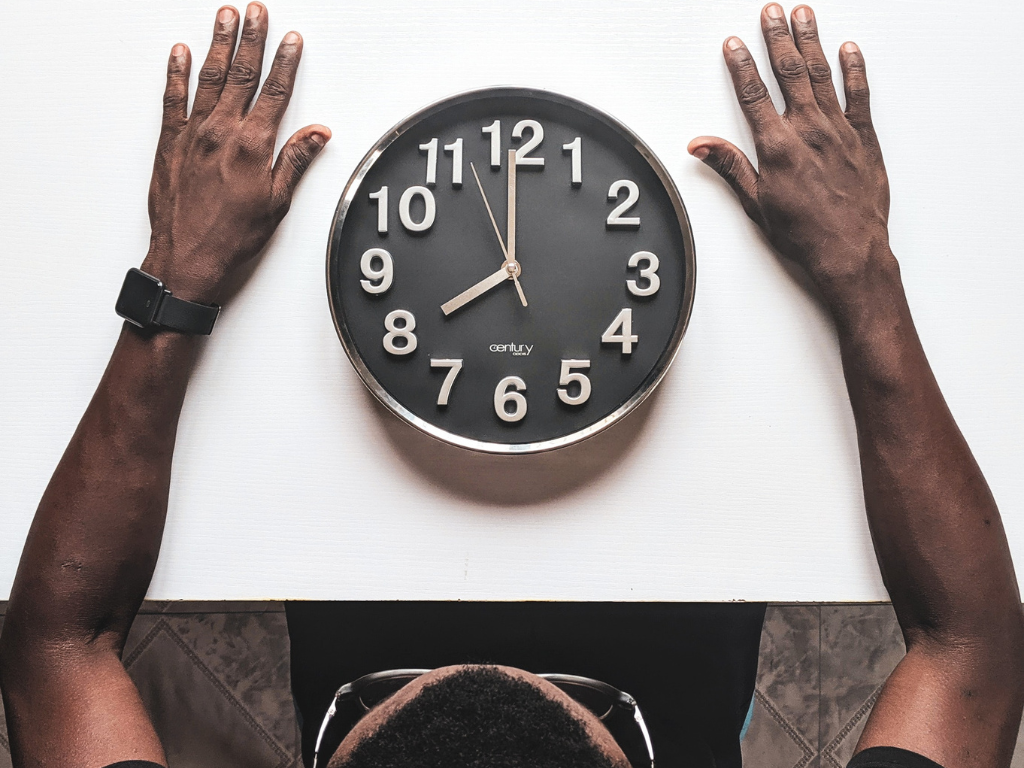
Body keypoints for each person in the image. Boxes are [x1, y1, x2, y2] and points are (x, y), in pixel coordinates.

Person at [0, 2, 1021, 767]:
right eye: (570, 698)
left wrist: (174, 280)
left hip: (367, 579)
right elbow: (971, 647)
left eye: (392, 700)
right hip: (680, 650)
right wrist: (862, 273)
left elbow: (57, 639)